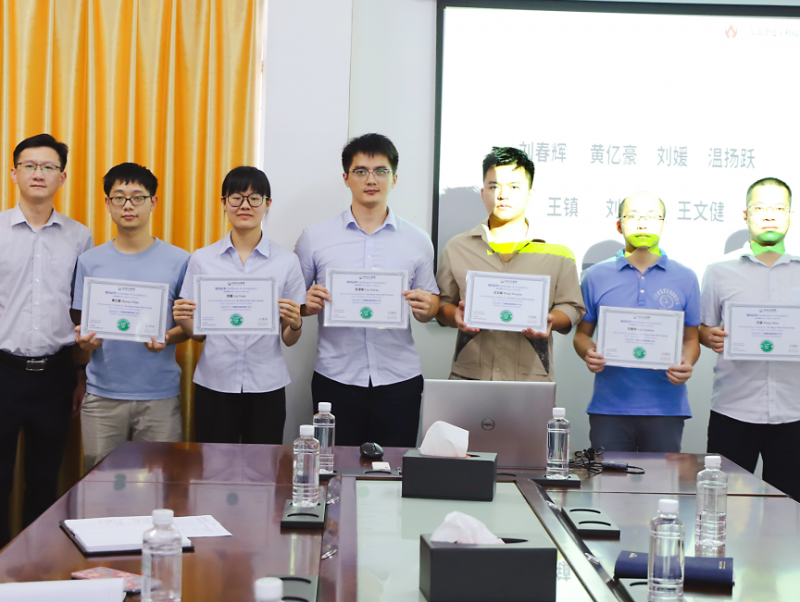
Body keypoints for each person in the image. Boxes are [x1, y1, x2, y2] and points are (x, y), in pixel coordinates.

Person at [0, 133, 93, 558]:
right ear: (13, 173)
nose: (38, 173)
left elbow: (81, 313)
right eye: (29, 165)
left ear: (62, 177)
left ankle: (38, 570)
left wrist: (79, 375)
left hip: (56, 373)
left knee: (45, 481)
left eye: (48, 167)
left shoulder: (79, 237)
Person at [700, 177, 800, 503]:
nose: (769, 215)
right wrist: (709, 336)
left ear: (790, 215)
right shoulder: (719, 270)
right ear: (745, 214)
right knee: (726, 508)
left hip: (792, 412)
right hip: (733, 410)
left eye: (779, 208)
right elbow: (701, 329)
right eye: (760, 208)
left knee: (788, 510)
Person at [295, 133, 439, 447]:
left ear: (394, 178)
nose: (371, 179)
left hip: (399, 379)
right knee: (334, 468)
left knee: (395, 469)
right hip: (335, 378)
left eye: (380, 171)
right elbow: (294, 305)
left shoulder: (418, 240)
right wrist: (306, 304)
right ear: (346, 178)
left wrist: (429, 308)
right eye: (360, 171)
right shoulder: (315, 238)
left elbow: (429, 307)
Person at [71, 163, 190, 470]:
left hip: (159, 395)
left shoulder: (180, 260)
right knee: (100, 485)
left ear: (153, 202)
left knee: (159, 484)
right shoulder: (89, 261)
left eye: (138, 197)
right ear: (107, 203)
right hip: (102, 396)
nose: (128, 205)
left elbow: (189, 327)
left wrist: (167, 337)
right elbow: (82, 326)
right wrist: (84, 342)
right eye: (119, 197)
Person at [173, 166, 305, 444]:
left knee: (264, 465)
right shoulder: (202, 259)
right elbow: (199, 334)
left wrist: (295, 324)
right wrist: (183, 317)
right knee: (214, 465)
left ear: (267, 204)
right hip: (214, 382)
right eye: (236, 197)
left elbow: (289, 339)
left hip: (267, 384)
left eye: (254, 198)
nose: (245, 205)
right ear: (224, 203)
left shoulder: (286, 262)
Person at [436, 147, 584, 381]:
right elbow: (443, 304)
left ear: (530, 193)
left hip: (530, 379)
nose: (502, 195)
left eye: (514, 187)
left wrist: (550, 321)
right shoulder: (457, 248)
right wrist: (455, 315)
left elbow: (573, 306)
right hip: (470, 376)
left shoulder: (558, 253)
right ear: (483, 193)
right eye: (494, 186)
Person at [573, 191, 701, 452]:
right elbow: (581, 335)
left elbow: (692, 339)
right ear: (619, 224)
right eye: (633, 216)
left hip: (666, 407)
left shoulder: (686, 277)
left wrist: (687, 362)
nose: (642, 223)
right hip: (609, 407)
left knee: (662, 479)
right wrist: (588, 353)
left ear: (663, 224)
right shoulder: (595, 276)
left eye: (652, 216)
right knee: (608, 478)